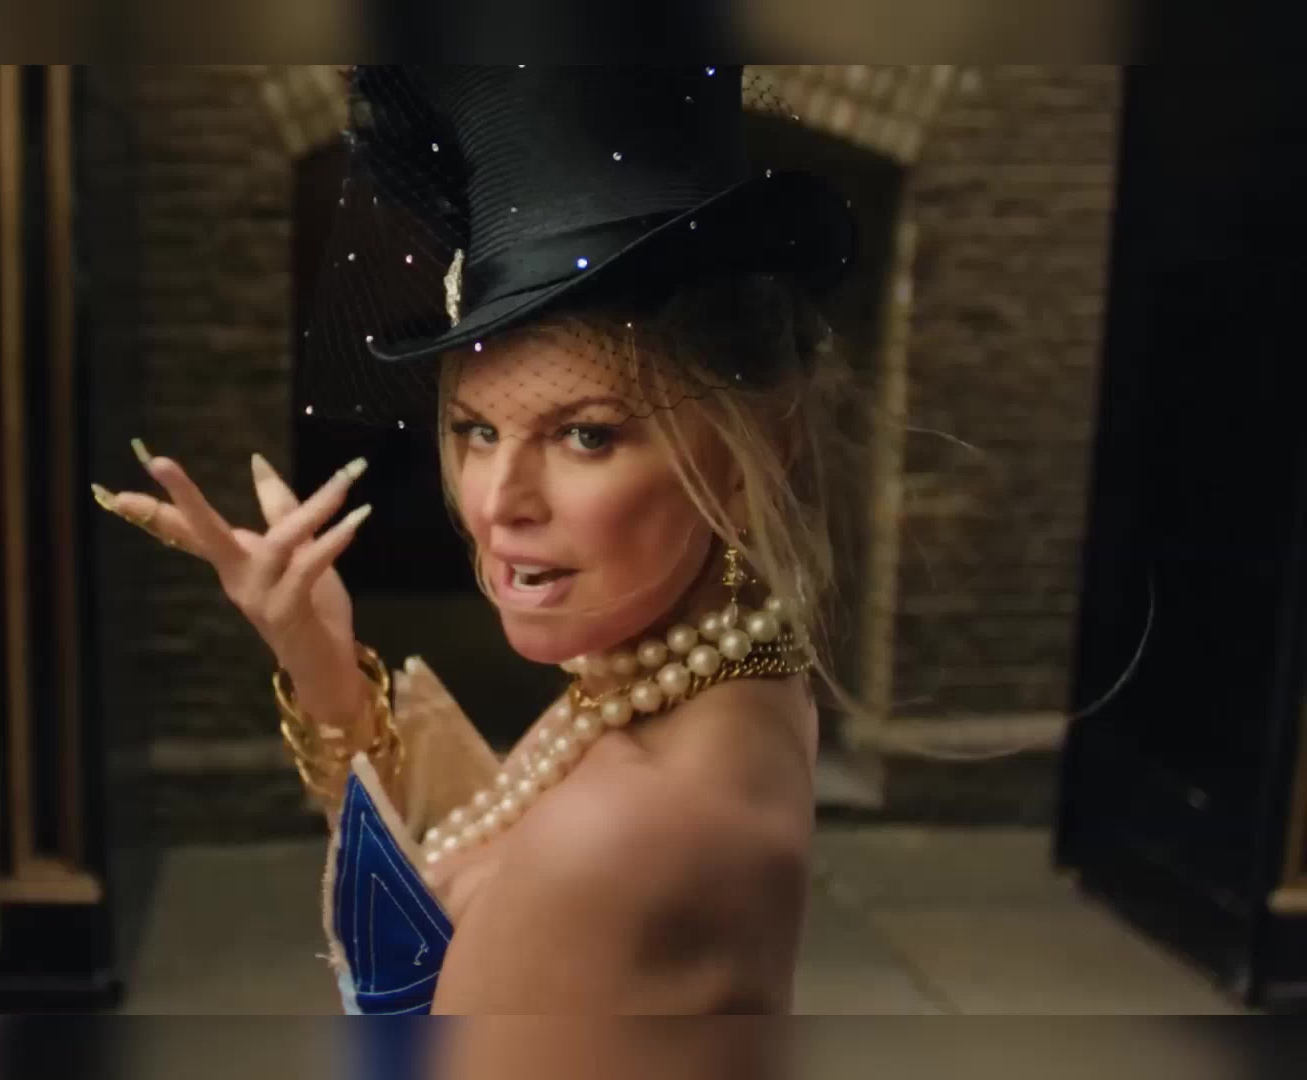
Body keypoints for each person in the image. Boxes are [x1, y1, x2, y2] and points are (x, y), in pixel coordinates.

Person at [94, 65, 857, 1033]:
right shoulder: (688, 681)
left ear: (761, 446)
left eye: (587, 435)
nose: (498, 504)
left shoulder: (620, 835)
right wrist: (321, 665)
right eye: (477, 431)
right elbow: (460, 887)